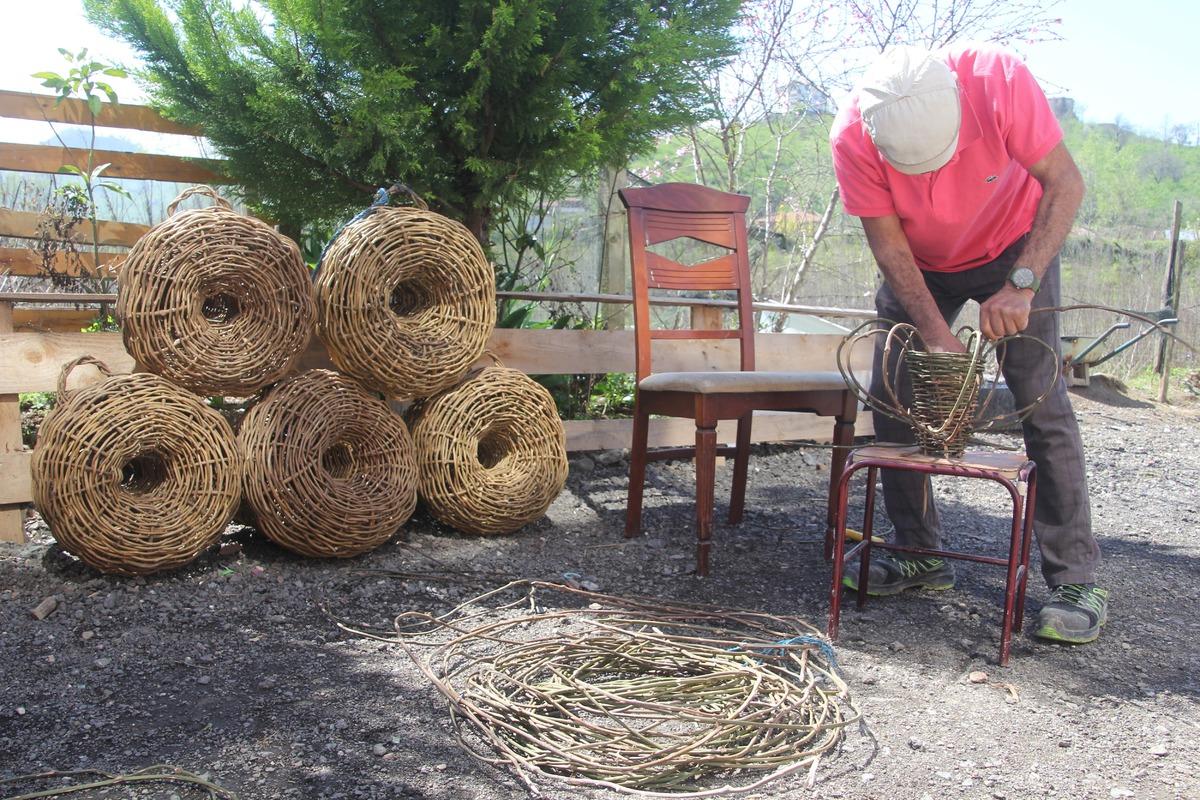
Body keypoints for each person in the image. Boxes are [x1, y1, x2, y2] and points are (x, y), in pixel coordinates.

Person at [829, 43, 1107, 644]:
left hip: (1014, 246)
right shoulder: (853, 135)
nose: (929, 177)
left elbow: (1066, 183)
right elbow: (890, 248)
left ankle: (1074, 578)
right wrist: (934, 334)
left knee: (1041, 399)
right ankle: (919, 555)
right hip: (920, 264)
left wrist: (1021, 284)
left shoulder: (998, 81)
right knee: (892, 393)